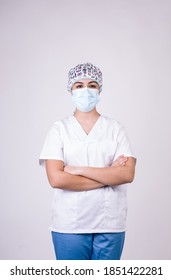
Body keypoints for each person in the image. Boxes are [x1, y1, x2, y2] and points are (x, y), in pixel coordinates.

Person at [39, 62, 136, 260]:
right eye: (79, 85)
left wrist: (77, 169)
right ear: (70, 89)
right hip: (70, 225)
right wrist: (109, 175)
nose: (86, 90)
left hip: (110, 223)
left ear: (100, 89)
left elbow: (127, 174)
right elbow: (57, 179)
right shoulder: (59, 129)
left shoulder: (115, 129)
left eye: (92, 85)